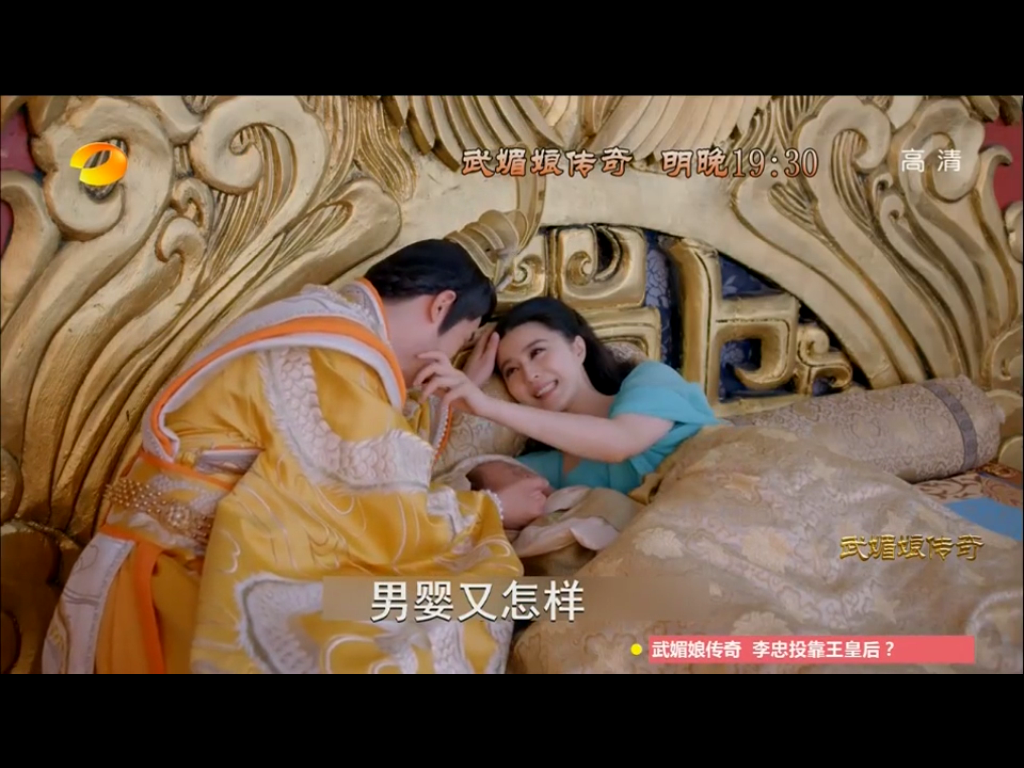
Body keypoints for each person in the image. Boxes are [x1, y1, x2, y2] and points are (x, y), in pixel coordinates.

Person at [42, 239, 550, 675]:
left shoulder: (324, 327)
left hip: (164, 558)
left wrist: (451, 400)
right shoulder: (334, 353)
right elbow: (380, 507)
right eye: (461, 341)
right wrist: (492, 510)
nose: (446, 361)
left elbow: (368, 445)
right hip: (174, 580)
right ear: (441, 307)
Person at [417, 297, 721, 495]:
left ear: (577, 348)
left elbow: (620, 441)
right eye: (511, 370)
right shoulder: (549, 469)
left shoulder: (650, 379)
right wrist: (471, 382)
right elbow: (432, 486)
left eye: (537, 352)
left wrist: (486, 405)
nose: (529, 375)